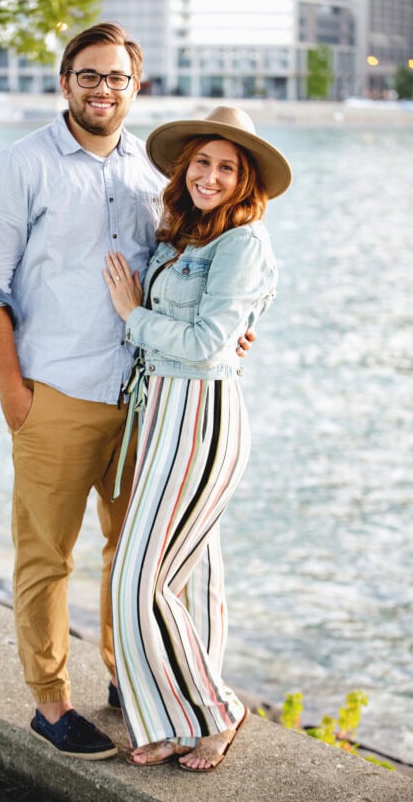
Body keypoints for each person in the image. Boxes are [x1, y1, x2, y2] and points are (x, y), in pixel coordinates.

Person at [0, 23, 254, 760]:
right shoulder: (19, 166)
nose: (102, 89)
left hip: (147, 403)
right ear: (65, 82)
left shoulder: (148, 174)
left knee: (132, 555)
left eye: (117, 77)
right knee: (47, 556)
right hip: (56, 395)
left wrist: (233, 331)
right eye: (88, 75)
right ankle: (51, 702)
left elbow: (185, 273)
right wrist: (14, 399)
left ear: (135, 87)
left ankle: (132, 678)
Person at [103, 105, 291, 772]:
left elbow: (211, 344)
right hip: (163, 412)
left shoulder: (244, 241)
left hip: (200, 416)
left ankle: (217, 710)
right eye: (203, 163)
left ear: (247, 181)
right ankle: (175, 720)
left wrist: (134, 317)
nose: (211, 176)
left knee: (137, 581)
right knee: (191, 576)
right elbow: (234, 322)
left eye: (227, 167)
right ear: (187, 169)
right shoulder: (183, 233)